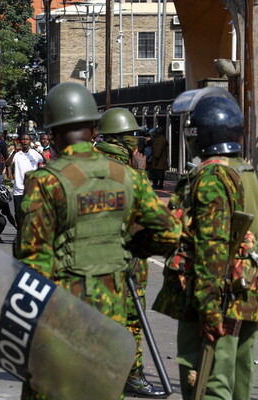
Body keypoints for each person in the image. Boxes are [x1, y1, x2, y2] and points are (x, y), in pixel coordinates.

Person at [14, 82, 181, 400]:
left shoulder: (46, 182)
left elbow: (33, 263)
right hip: (113, 313)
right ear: (94, 129)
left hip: (61, 315)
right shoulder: (128, 177)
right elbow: (168, 232)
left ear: (55, 133)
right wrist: (128, 249)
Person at [153, 88, 258, 400]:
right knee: (238, 378)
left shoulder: (212, 176)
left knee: (209, 384)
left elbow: (212, 247)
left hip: (217, 297)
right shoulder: (247, 173)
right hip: (246, 294)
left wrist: (209, 310)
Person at [95, 107, 165, 398]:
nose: (137, 140)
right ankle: (129, 375)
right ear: (121, 139)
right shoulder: (121, 168)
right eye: (132, 135)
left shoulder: (91, 162)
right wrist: (140, 173)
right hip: (124, 255)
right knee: (130, 318)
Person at [5, 132, 44, 225]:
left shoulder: (34, 153)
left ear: (30, 141)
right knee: (18, 214)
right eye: (23, 139)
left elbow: (46, 161)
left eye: (27, 139)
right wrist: (14, 152)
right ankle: (20, 232)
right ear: (20, 141)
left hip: (32, 189)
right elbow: (7, 164)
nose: (24, 141)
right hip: (18, 189)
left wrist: (39, 150)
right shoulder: (17, 154)